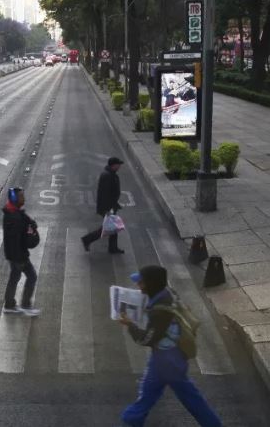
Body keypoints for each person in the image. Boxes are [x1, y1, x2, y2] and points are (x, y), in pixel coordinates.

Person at [119, 265, 222, 427]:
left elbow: (146, 339)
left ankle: (213, 424)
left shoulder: (160, 312)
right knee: (148, 391)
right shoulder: (167, 293)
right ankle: (132, 418)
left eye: (141, 283)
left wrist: (130, 325)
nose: (138, 285)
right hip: (167, 356)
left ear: (151, 284)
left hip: (168, 360)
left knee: (189, 396)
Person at [1, 187, 41, 317]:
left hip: (14, 254)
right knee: (31, 277)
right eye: (21, 196)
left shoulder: (13, 213)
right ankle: (25, 305)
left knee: (14, 278)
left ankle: (9, 305)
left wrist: (30, 223)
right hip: (18, 255)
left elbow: (25, 220)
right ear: (14, 198)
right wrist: (21, 258)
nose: (24, 198)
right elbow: (17, 240)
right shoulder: (15, 218)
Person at [81, 156, 124, 254]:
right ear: (114, 165)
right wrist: (107, 210)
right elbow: (104, 194)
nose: (119, 166)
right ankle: (87, 240)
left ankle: (112, 248)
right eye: (118, 164)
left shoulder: (111, 174)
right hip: (107, 207)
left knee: (113, 228)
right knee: (109, 228)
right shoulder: (107, 176)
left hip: (111, 206)